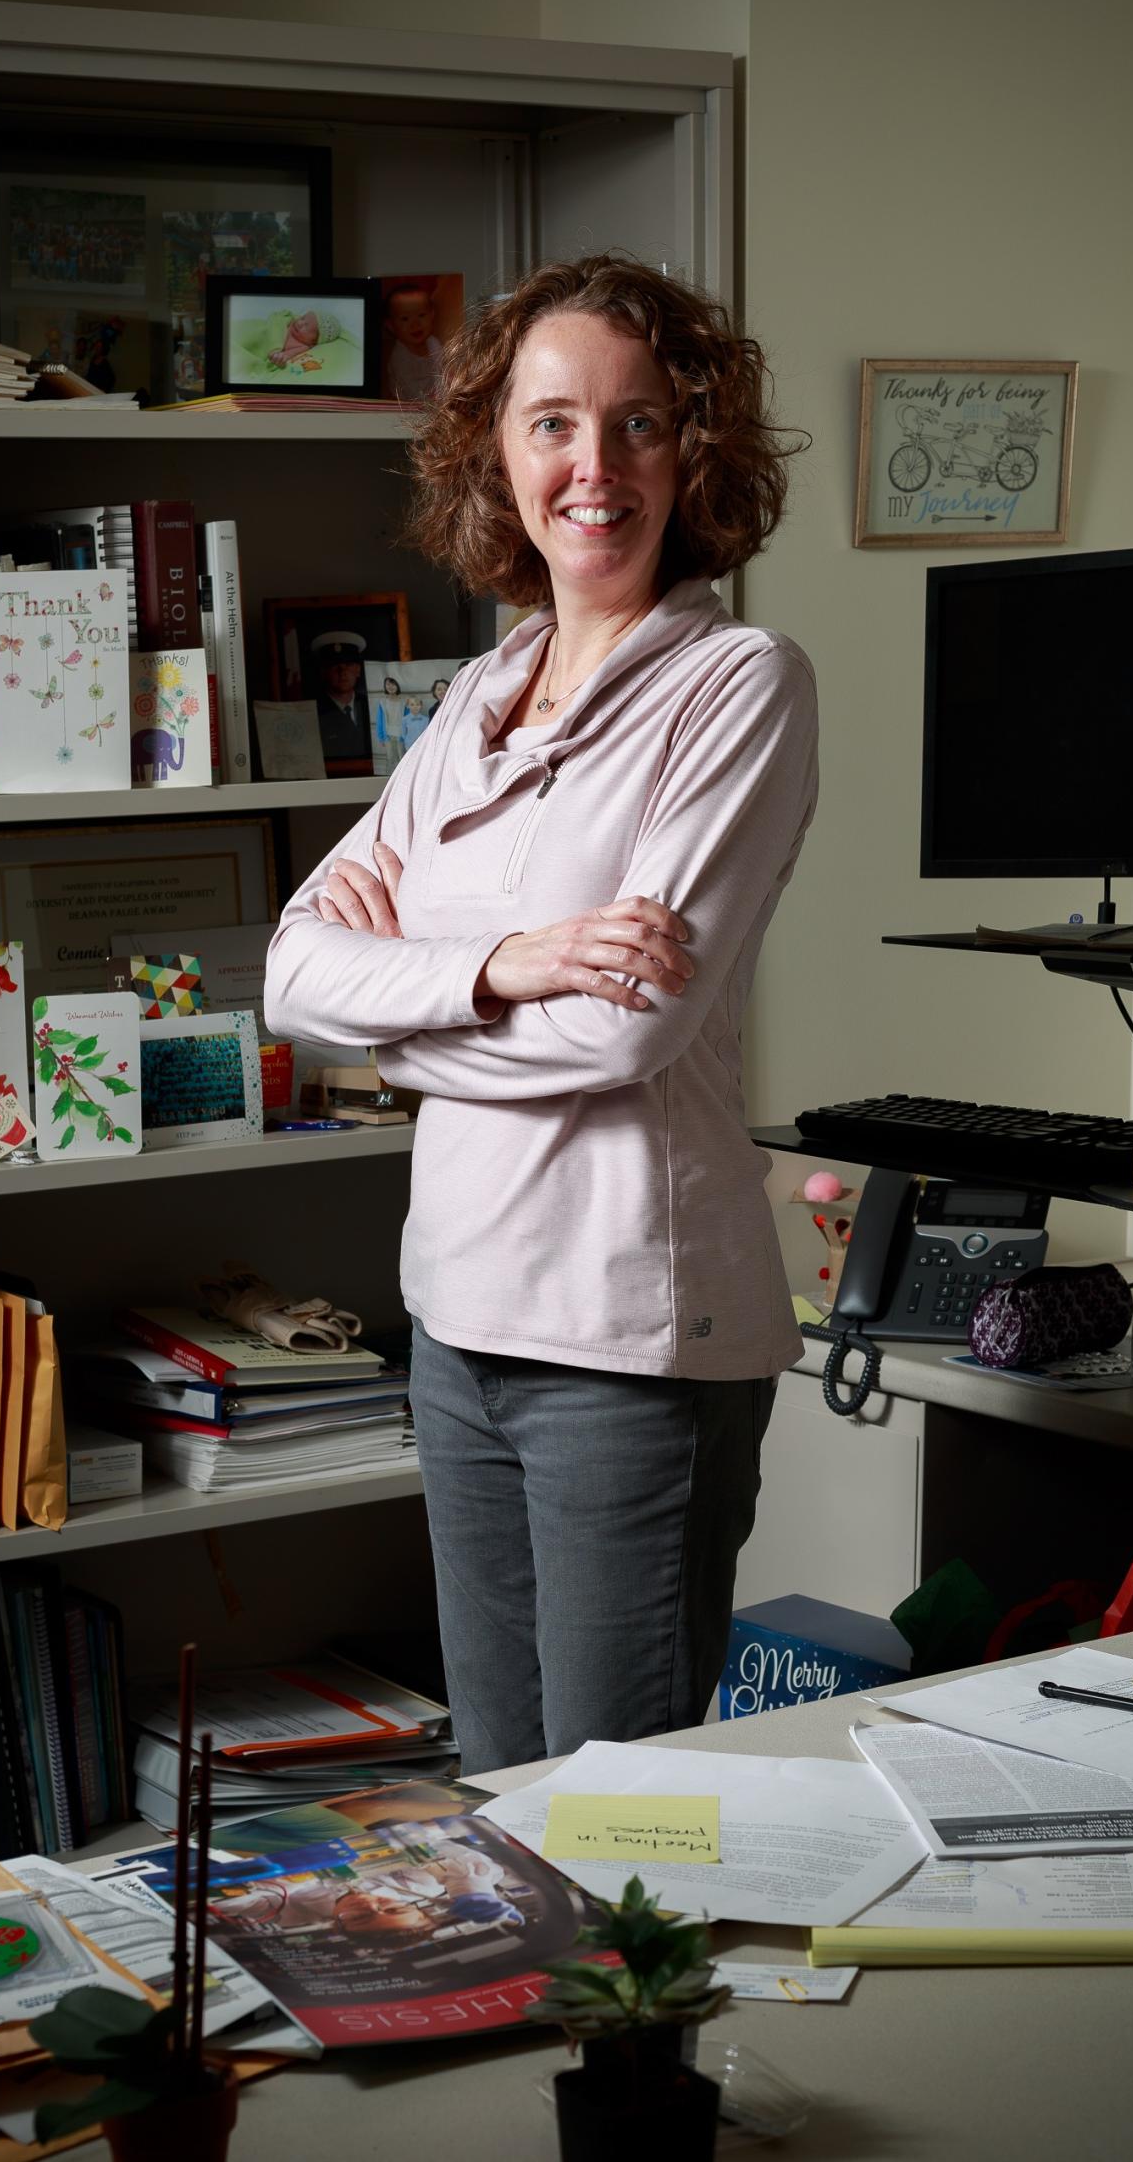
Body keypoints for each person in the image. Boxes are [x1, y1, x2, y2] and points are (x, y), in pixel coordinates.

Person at [264, 254, 814, 1776]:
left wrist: (399, 1010)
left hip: (625, 1337)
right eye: (553, 422)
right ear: (496, 455)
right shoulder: (475, 697)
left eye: (639, 425)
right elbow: (291, 971)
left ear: (692, 453)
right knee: (494, 1791)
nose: (595, 465)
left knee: (614, 1810)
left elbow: (622, 1034)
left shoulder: (736, 683)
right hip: (456, 1311)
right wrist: (506, 959)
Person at [309, 628, 369, 767]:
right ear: (323, 672)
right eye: (335, 665)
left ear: (358, 670)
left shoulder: (370, 706)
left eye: (348, 665)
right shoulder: (313, 711)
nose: (343, 672)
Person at [383, 282, 445, 400]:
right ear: (391, 326)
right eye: (405, 319)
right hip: (406, 400)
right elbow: (409, 389)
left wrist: (442, 392)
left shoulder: (433, 343)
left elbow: (441, 371)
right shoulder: (399, 357)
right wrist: (429, 401)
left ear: (432, 315)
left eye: (421, 315)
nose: (415, 325)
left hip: (434, 397)